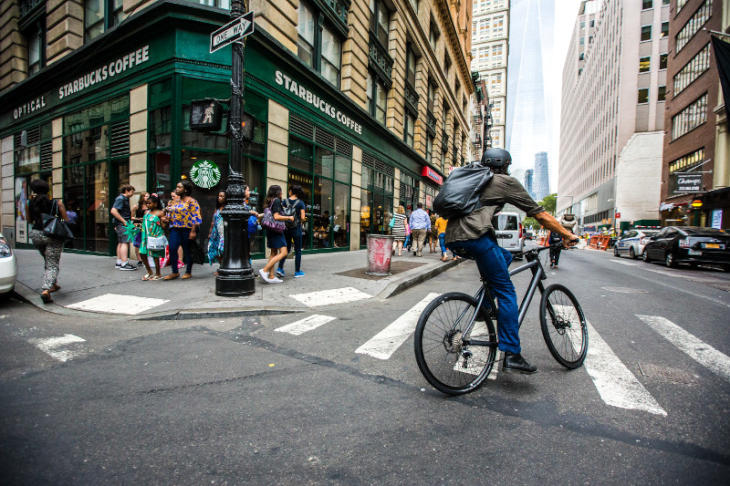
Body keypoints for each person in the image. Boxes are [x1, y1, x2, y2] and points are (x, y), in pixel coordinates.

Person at [445, 148, 579, 374]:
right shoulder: (505, 181)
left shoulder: (474, 178)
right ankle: (512, 354)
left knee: (505, 257)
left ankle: (484, 307)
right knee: (507, 292)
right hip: (476, 237)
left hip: (454, 238)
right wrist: (567, 234)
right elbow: (540, 215)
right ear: (506, 165)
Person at [27, 179, 68, 303]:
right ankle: (46, 289)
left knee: (48, 259)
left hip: (36, 235)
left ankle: (53, 284)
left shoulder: (29, 203)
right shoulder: (57, 204)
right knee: (52, 264)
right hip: (52, 236)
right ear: (48, 190)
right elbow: (65, 220)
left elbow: (29, 220)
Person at [163, 179, 202, 280]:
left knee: (187, 250)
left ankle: (188, 271)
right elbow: (170, 214)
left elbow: (196, 216)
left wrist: (193, 231)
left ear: (185, 190)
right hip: (175, 228)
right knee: (172, 248)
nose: (177, 189)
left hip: (187, 228)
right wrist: (167, 218)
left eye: (179, 187)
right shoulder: (174, 201)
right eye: (177, 187)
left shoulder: (192, 201)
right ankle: (175, 272)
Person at [259, 185, 294, 283]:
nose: (282, 193)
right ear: (278, 192)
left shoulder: (269, 201)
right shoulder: (277, 201)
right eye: (281, 191)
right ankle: (265, 270)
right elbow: (276, 217)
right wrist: (289, 217)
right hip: (276, 230)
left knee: (273, 252)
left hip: (270, 229)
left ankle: (271, 276)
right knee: (284, 252)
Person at [277, 185, 307, 278]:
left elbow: (281, 213)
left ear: (290, 191)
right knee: (298, 249)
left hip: (286, 228)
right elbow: (302, 217)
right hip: (296, 228)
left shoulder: (285, 201)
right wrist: (300, 222)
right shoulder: (300, 203)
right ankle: (297, 271)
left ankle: (280, 268)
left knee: (286, 248)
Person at [139, 193, 167, 280]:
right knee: (142, 253)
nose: (147, 205)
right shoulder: (146, 212)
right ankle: (149, 271)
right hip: (145, 236)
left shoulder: (160, 213)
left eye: (149, 203)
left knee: (155, 254)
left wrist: (165, 221)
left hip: (155, 236)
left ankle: (158, 273)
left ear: (155, 204)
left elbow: (163, 227)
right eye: (147, 203)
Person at [110, 184, 137, 271]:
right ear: (126, 190)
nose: (133, 194)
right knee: (125, 242)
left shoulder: (122, 199)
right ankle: (124, 263)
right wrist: (124, 221)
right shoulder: (121, 199)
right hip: (123, 224)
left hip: (120, 223)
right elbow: (113, 211)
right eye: (132, 191)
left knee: (121, 242)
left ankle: (119, 262)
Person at [207, 191, 226, 274]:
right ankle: (221, 267)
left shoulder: (228, 207)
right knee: (214, 248)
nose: (219, 198)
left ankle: (225, 267)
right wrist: (210, 232)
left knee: (222, 249)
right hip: (216, 232)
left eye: (222, 196)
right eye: (219, 196)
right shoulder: (217, 208)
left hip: (224, 232)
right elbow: (213, 220)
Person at [131, 192, 149, 266]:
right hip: (138, 226)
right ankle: (139, 259)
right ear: (142, 197)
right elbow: (131, 217)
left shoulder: (149, 206)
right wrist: (139, 218)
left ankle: (147, 258)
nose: (147, 197)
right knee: (138, 243)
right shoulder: (136, 206)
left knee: (146, 243)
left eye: (148, 196)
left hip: (146, 226)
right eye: (146, 196)